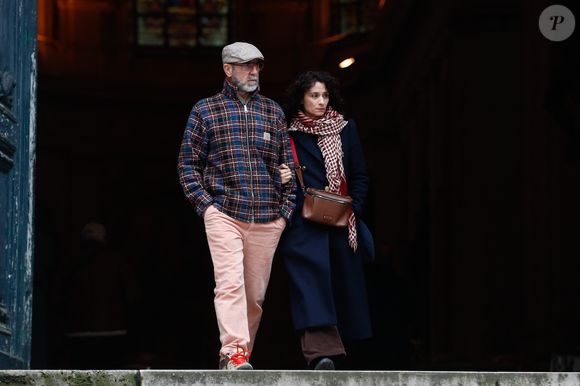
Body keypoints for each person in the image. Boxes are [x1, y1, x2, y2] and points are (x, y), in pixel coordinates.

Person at [177, 42, 296, 370]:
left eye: (257, 65)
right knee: (229, 283)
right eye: (245, 65)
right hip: (225, 213)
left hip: (268, 217)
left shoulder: (272, 111)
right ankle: (234, 353)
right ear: (227, 69)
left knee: (254, 297)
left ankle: (238, 358)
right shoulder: (206, 110)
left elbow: (287, 166)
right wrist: (207, 207)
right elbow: (188, 164)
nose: (253, 71)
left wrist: (285, 212)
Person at [277, 71, 372, 370]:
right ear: (301, 98)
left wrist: (352, 207)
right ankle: (320, 354)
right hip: (304, 224)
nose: (320, 101)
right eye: (314, 95)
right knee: (310, 288)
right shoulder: (287, 133)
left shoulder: (346, 129)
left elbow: (359, 175)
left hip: (341, 223)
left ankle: (342, 356)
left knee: (344, 289)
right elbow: (273, 172)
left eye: (325, 95)